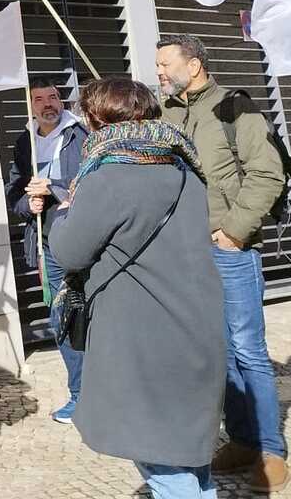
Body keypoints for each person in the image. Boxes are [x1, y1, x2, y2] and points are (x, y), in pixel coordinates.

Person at [48, 76, 227, 499]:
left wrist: (64, 212)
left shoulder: (108, 176)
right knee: (188, 454)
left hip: (142, 337)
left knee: (164, 466)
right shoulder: (184, 169)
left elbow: (70, 252)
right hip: (197, 325)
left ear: (97, 120)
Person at [155, 33, 290, 493]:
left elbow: (267, 173)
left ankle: (271, 451)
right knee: (220, 350)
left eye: (165, 64)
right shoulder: (165, 114)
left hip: (230, 248)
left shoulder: (236, 108)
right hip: (186, 253)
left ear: (193, 65)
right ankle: (243, 439)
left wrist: (234, 232)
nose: (158, 73)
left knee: (248, 349)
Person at [3, 76, 88, 423]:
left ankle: (109, 389)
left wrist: (52, 188)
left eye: (52, 97)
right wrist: (28, 204)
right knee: (61, 316)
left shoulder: (80, 134)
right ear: (30, 106)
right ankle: (80, 394)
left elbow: (90, 182)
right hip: (47, 244)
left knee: (94, 313)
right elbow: (14, 192)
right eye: (39, 100)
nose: (48, 104)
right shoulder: (25, 142)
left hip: (83, 238)